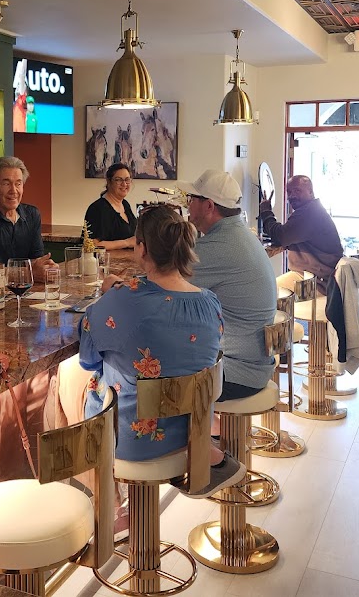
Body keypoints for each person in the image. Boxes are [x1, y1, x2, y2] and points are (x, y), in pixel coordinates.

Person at [79, 204, 246, 499]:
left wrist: (114, 294)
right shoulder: (210, 303)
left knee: (76, 385)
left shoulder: (123, 301)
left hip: (133, 441)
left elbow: (88, 358)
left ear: (142, 248)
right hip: (194, 434)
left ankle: (104, 502)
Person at [180, 170, 278, 401]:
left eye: (191, 199)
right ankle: (207, 422)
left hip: (236, 372)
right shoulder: (239, 235)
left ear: (209, 206)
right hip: (254, 364)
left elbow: (163, 284)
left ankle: (197, 424)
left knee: (148, 376)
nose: (188, 205)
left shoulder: (218, 246)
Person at [0, 156, 57, 285]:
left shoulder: (32, 215)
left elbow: (36, 260)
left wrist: (46, 268)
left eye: (18, 184)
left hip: (22, 289)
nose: (14, 191)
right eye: (6, 184)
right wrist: (27, 273)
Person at [259, 174, 343, 294]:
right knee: (268, 287)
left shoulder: (309, 212)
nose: (292, 196)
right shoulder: (312, 209)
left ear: (310, 192)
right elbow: (286, 234)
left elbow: (281, 237)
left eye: (297, 191)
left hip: (317, 282)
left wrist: (266, 212)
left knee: (265, 292)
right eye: (289, 192)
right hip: (322, 277)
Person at [83, 163, 137, 250]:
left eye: (127, 179)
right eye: (118, 180)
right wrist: (126, 242)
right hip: (106, 259)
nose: (124, 184)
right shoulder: (97, 209)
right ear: (109, 182)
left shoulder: (125, 204)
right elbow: (92, 245)